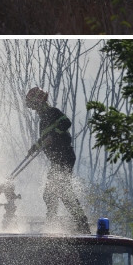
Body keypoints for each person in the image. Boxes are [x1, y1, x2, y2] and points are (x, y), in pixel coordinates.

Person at [24, 87, 90, 232]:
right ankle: (52, 223)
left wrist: (53, 135)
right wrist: (34, 148)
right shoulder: (43, 120)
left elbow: (66, 123)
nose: (34, 109)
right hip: (57, 160)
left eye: (34, 105)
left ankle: (81, 222)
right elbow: (45, 138)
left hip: (64, 157)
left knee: (62, 191)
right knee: (50, 193)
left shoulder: (53, 112)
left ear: (39, 102)